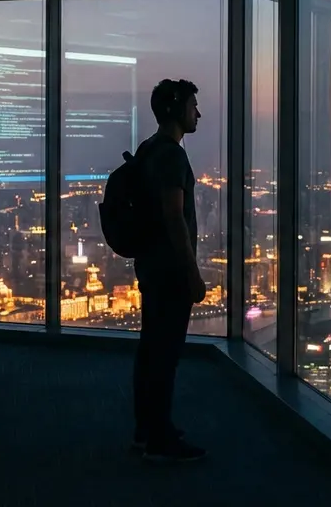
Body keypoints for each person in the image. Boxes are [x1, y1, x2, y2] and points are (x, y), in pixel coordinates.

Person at [131, 78, 207, 462]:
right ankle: (159, 439)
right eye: (193, 106)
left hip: (150, 265)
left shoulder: (148, 150)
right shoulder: (172, 157)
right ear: (177, 110)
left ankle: (148, 429)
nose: (198, 113)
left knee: (151, 350)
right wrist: (192, 272)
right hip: (170, 271)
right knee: (165, 354)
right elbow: (175, 219)